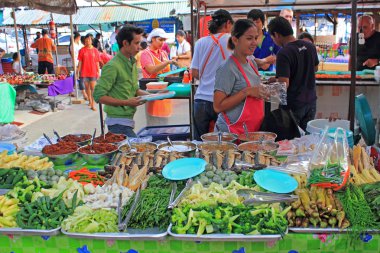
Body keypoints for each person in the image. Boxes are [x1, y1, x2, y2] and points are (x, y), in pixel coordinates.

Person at [93, 25, 151, 137]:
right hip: (117, 123)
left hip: (128, 121)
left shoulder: (132, 62)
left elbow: (135, 90)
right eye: (136, 43)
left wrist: (153, 96)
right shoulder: (112, 66)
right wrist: (126, 102)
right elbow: (98, 96)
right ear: (125, 43)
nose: (139, 47)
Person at [214, 19, 269, 134]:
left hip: (250, 131)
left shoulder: (252, 63)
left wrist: (262, 90)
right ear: (235, 40)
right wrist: (247, 92)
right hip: (230, 133)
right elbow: (218, 106)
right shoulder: (227, 68)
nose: (254, 42)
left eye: (255, 38)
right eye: (249, 38)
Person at [268, 17, 319, 131]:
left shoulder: (283, 53)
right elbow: (315, 68)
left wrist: (272, 83)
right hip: (311, 102)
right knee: (306, 140)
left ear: (276, 34)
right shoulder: (310, 46)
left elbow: (283, 84)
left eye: (272, 37)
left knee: (291, 142)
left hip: (293, 105)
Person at [191, 9, 234, 140]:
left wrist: (208, 77)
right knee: (222, 143)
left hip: (201, 100)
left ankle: (199, 161)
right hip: (222, 101)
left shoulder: (200, 42)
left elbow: (194, 72)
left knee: (200, 142)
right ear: (227, 23)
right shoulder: (232, 41)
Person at [77, 34, 100, 111]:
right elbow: (80, 62)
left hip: (93, 71)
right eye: (86, 41)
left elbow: (97, 62)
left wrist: (98, 71)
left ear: (91, 40)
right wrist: (78, 72)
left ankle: (93, 104)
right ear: (84, 41)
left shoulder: (95, 50)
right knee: (87, 88)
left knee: (93, 88)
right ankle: (90, 101)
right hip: (84, 72)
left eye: (89, 40)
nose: (87, 42)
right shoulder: (82, 50)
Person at [70, 31, 88, 100]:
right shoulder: (73, 45)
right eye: (79, 37)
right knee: (80, 77)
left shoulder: (79, 43)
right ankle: (84, 93)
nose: (80, 38)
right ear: (77, 37)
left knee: (76, 77)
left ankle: (70, 90)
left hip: (81, 62)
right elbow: (73, 55)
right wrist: (75, 64)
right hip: (76, 62)